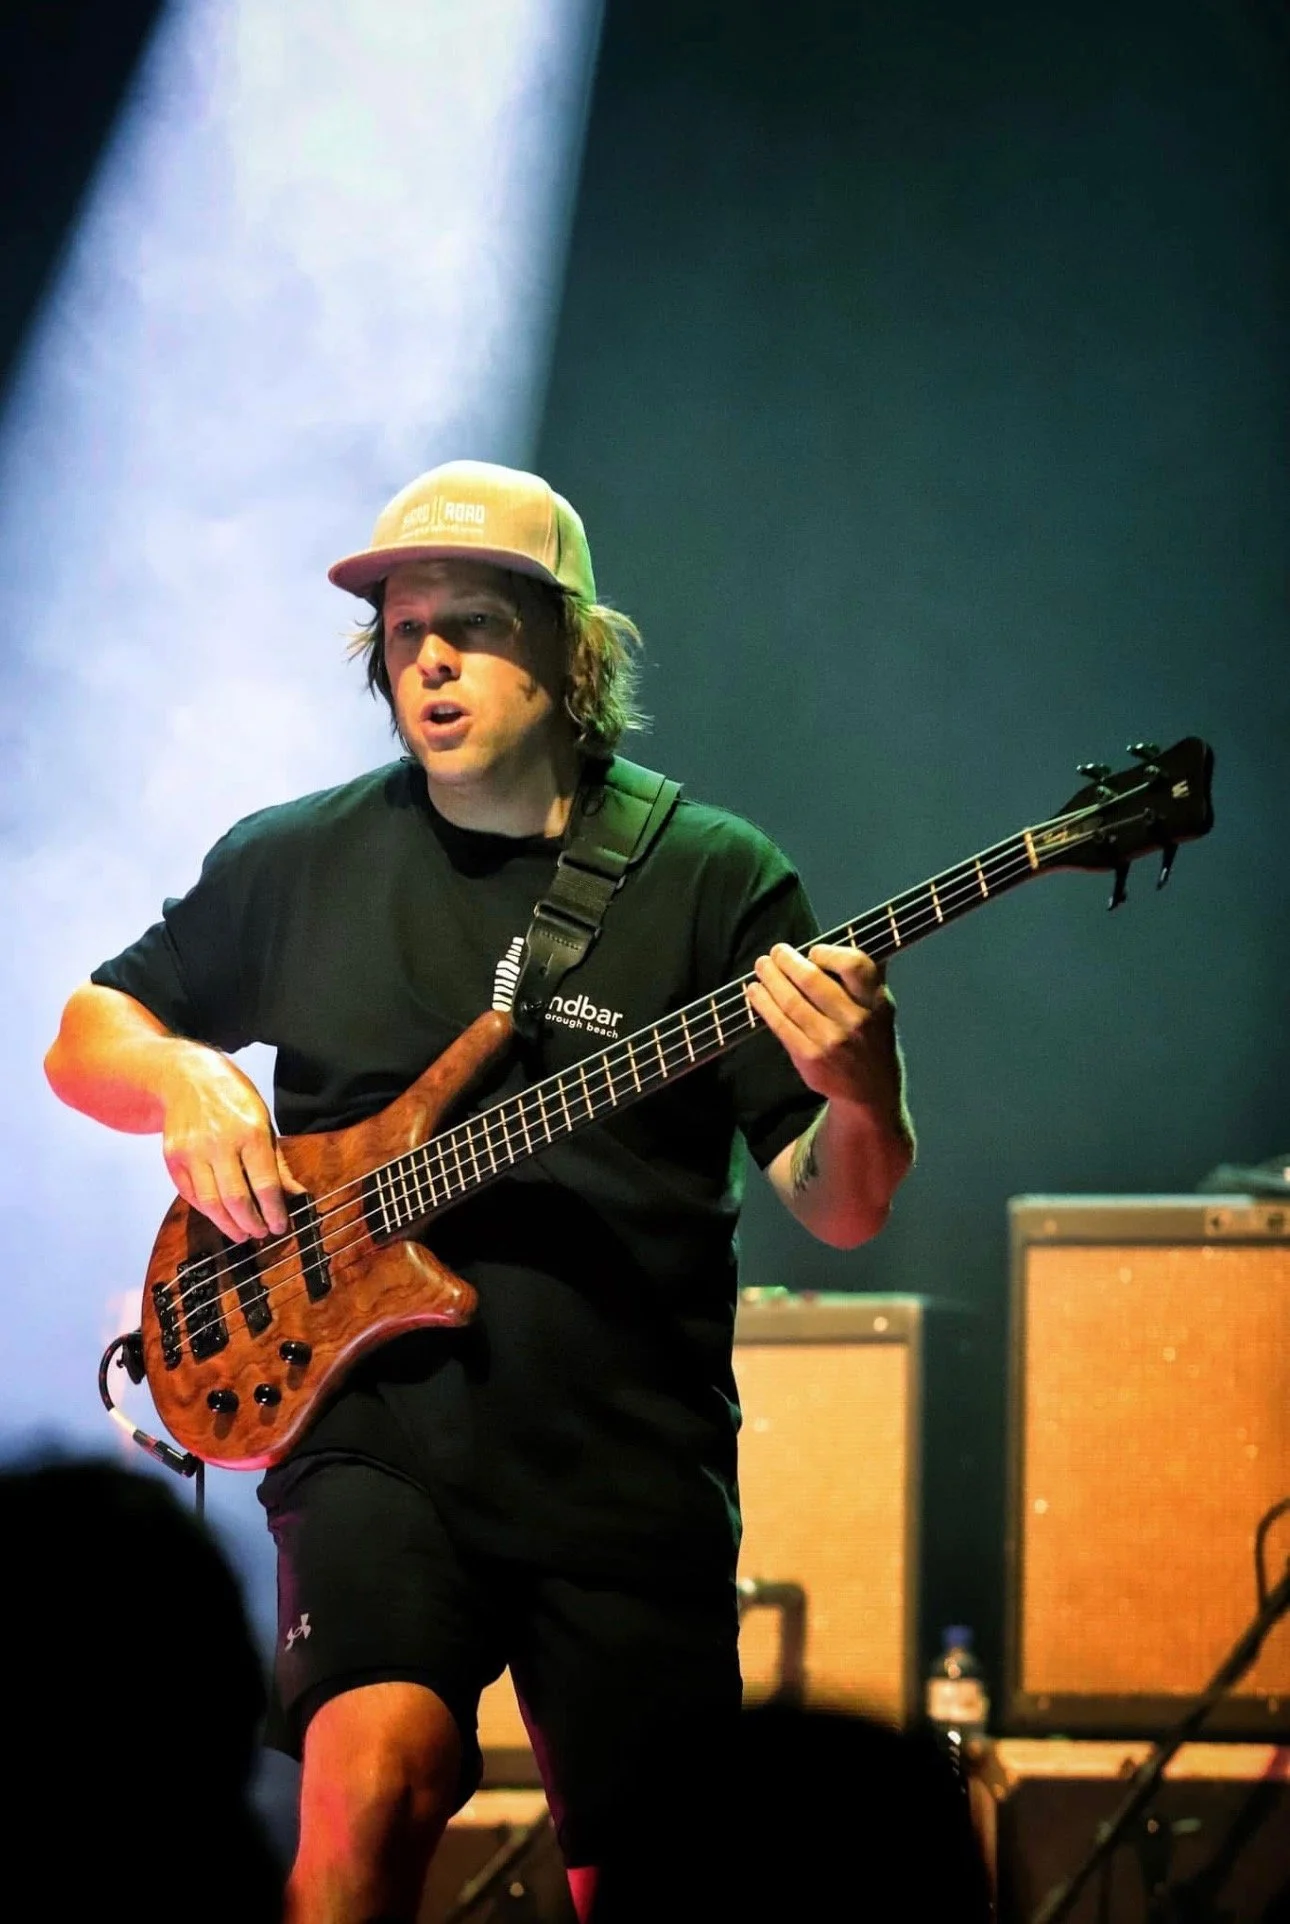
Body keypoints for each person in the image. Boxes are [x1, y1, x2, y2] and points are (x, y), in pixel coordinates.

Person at [45, 459, 914, 1924]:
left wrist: (862, 1089)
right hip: (372, 1431)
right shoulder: (299, 858)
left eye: (472, 624)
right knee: (368, 1787)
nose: (430, 659)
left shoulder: (714, 878)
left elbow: (841, 1203)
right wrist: (185, 1079)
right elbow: (86, 1034)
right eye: (403, 633)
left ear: (570, 653)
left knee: (653, 1882)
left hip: (624, 1454)